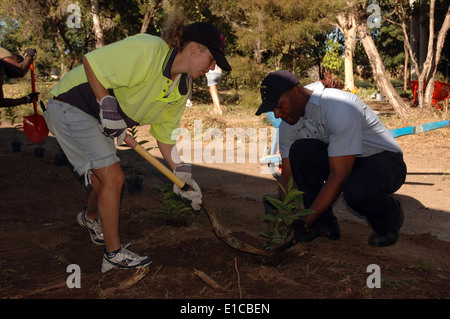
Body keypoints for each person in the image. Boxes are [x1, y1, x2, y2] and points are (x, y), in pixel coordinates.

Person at [44, 22, 231, 272]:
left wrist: (180, 173)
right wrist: (106, 102)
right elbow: (92, 62)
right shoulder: (149, 49)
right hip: (71, 104)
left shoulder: (181, 89)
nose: (211, 68)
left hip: (96, 118)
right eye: (211, 60)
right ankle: (113, 255)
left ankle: (89, 218)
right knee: (113, 177)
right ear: (195, 49)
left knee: (104, 177)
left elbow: (164, 137)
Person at [256, 70, 407, 249]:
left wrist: (304, 223)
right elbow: (288, 176)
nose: (277, 114)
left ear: (297, 91)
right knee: (301, 151)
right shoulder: (288, 126)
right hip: (342, 159)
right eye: (273, 110)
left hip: (382, 160)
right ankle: (323, 225)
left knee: (357, 192)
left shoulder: (338, 106)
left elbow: (339, 174)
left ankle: (390, 220)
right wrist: (283, 218)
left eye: (279, 106)